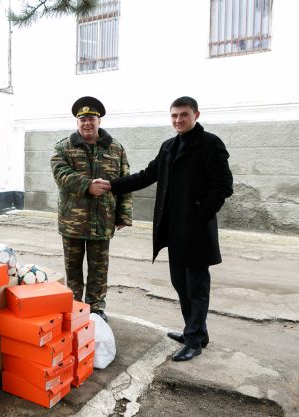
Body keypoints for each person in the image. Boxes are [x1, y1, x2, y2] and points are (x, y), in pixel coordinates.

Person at [94, 96, 233, 361]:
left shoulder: (210, 144)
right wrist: (113, 184)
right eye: (174, 116)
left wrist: (199, 214)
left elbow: (224, 186)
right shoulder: (169, 146)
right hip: (173, 229)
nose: (178, 120)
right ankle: (196, 332)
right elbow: (147, 175)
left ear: (196, 115)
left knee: (197, 286)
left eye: (183, 115)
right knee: (180, 283)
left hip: (197, 230)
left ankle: (194, 340)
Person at [50, 96, 133, 322]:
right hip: (72, 221)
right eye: (83, 119)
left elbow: (125, 181)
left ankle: (96, 307)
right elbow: (61, 175)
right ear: (77, 122)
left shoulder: (115, 148)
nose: (87, 123)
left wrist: (124, 214)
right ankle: (75, 304)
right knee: (73, 268)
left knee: (99, 268)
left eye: (91, 119)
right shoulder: (63, 147)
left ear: (99, 121)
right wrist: (88, 186)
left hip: (103, 219)